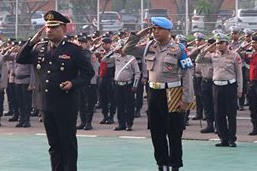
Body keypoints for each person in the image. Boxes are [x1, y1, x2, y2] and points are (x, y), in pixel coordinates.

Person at [16, 10, 94, 171]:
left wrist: (73, 83)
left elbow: (88, 73)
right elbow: (20, 59)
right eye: (47, 27)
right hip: (45, 103)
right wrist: (31, 42)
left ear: (64, 29)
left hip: (65, 103)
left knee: (68, 144)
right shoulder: (40, 47)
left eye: (54, 27)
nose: (49, 30)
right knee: (54, 145)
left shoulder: (74, 50)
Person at [123, 17, 193, 171]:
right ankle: (161, 163)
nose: (155, 32)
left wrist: (187, 99)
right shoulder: (149, 46)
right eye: (153, 29)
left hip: (172, 92)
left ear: (168, 31)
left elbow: (187, 74)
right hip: (154, 92)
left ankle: (174, 164)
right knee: (156, 130)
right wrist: (140, 34)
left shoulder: (179, 49)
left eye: (159, 29)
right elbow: (126, 50)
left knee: (174, 132)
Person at [198, 34, 243, 147]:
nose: (218, 45)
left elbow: (239, 74)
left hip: (230, 86)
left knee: (231, 114)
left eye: (221, 43)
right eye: (217, 43)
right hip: (217, 87)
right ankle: (223, 138)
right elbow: (199, 59)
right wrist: (208, 47)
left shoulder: (234, 55)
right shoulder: (213, 55)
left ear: (227, 44)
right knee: (219, 114)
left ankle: (232, 139)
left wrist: (240, 89)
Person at [99, 37, 116, 125]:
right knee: (103, 98)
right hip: (102, 77)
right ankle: (105, 115)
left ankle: (111, 116)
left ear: (110, 44)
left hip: (110, 78)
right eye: (102, 43)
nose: (104, 45)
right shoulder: (100, 53)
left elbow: (105, 60)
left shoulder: (114, 54)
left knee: (111, 98)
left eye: (106, 43)